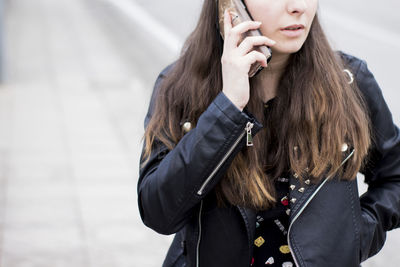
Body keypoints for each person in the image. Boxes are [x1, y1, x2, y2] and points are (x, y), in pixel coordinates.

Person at [137, 0, 400, 266]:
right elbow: (158, 212)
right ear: (230, 6)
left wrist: (354, 236)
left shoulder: (349, 83)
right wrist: (227, 109)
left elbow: (395, 177)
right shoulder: (181, 88)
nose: (298, 7)